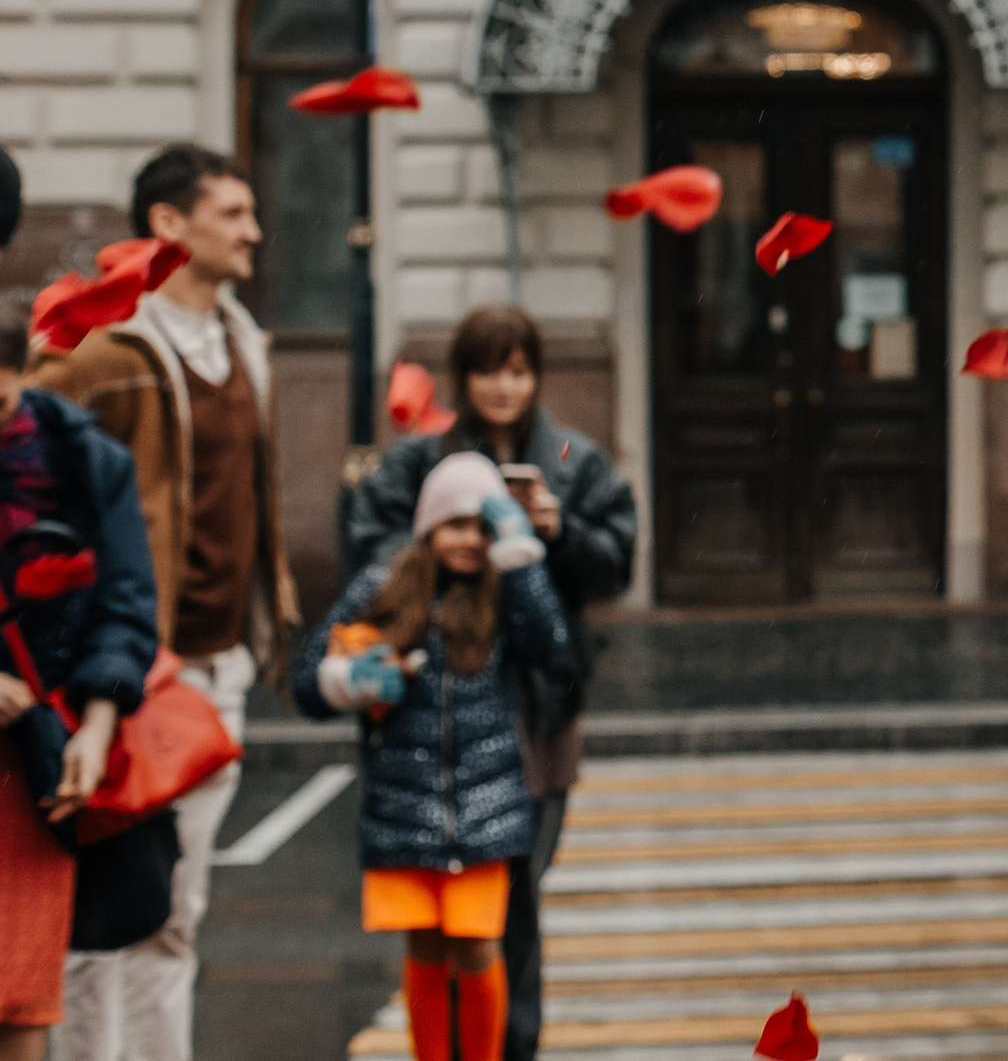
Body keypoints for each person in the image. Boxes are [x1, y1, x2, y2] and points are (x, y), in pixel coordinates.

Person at [34, 144, 297, 1061]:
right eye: (233, 212)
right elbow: (23, 463)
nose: (254, 230)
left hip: (211, 669)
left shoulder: (243, 339)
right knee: (104, 911)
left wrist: (273, 625)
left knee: (175, 910)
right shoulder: (103, 351)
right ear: (169, 226)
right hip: (116, 675)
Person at [343, 305, 635, 1061]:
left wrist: (555, 529)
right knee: (442, 922)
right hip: (436, 714)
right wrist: (450, 545)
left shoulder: (575, 459)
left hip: (536, 709)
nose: (503, 387)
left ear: (536, 374)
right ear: (463, 377)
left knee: (515, 900)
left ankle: (514, 1044)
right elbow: (372, 552)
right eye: (486, 370)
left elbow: (614, 564)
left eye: (517, 369)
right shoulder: (418, 461)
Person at [295, 453, 570, 1061]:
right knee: (422, 948)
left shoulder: (504, 592)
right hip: (405, 810)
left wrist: (521, 554)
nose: (471, 540)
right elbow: (308, 680)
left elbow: (554, 647)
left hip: (487, 811)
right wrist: (352, 680)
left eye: (484, 525)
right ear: (428, 527)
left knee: (477, 948)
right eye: (456, 524)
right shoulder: (382, 587)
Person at [0, 314, 158, 1061]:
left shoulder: (84, 461)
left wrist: (95, 726)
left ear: (22, 376)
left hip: (37, 756)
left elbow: (126, 599)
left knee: (24, 993)